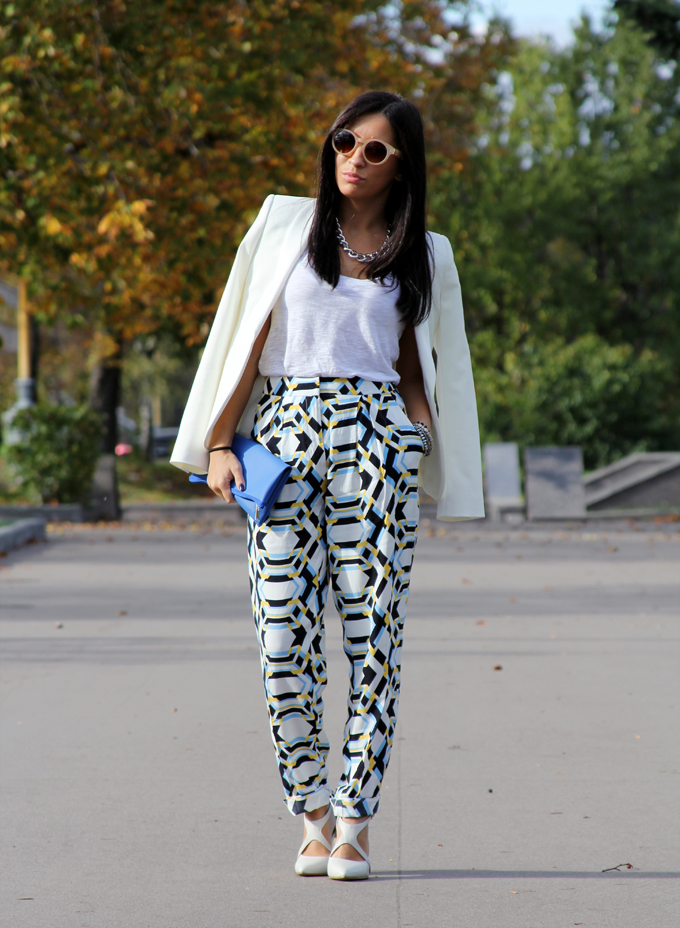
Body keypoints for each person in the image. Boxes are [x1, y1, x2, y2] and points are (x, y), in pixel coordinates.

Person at [171, 90, 484, 880]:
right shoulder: (285, 226)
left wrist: (415, 436)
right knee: (282, 636)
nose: (355, 159)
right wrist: (219, 441)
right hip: (285, 434)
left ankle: (354, 821)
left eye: (376, 150)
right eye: (346, 141)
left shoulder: (425, 252)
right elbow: (244, 338)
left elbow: (419, 365)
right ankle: (309, 812)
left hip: (378, 440)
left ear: (403, 165)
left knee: (374, 636)